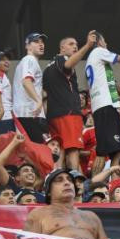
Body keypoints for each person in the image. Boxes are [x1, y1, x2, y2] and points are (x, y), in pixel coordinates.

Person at [42, 31, 97, 172]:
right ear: (62, 48)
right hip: (69, 113)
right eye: (71, 44)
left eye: (77, 45)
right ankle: (75, 182)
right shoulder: (62, 60)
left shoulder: (48, 67)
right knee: (73, 150)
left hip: (53, 115)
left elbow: (45, 94)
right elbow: (68, 65)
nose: (75, 47)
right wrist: (88, 45)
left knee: (60, 150)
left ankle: (56, 176)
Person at [85, 33, 120, 175]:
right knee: (118, 150)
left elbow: (115, 87)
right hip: (106, 107)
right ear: (99, 41)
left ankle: (96, 183)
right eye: (105, 41)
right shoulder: (99, 51)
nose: (106, 44)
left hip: (100, 108)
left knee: (105, 151)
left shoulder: (92, 60)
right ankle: (100, 183)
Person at [13, 32, 48, 143]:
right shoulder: (30, 59)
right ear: (27, 46)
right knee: (40, 152)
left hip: (26, 113)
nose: (41, 44)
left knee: (30, 153)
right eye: (36, 42)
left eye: (42, 42)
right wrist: (38, 101)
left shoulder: (26, 61)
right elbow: (26, 81)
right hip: (29, 114)